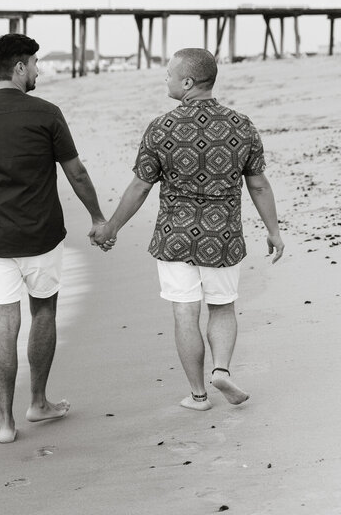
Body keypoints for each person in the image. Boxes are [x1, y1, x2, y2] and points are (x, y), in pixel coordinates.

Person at [94, 48, 284, 411]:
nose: (164, 80)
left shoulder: (162, 127)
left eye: (168, 74)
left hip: (174, 237)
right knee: (223, 308)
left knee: (185, 312)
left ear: (187, 82)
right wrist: (273, 230)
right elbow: (258, 184)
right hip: (223, 236)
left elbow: (140, 187)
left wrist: (112, 227)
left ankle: (198, 395)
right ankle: (221, 369)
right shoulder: (240, 125)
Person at [0, 34, 108, 443]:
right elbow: (77, 173)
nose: (38, 70)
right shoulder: (46, 114)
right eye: (34, 63)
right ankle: (37, 402)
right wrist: (98, 216)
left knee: (4, 321)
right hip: (42, 236)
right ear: (18, 68)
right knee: (44, 314)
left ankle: (5, 423)